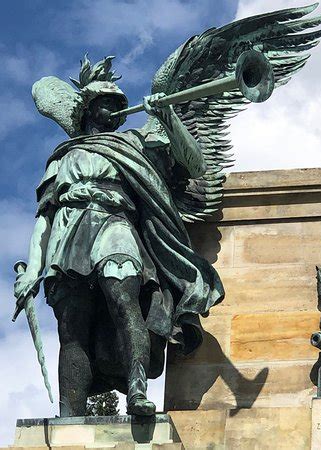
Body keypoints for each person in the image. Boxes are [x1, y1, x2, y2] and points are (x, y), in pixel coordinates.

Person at [14, 56, 224, 416]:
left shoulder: (136, 144)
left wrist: (169, 118)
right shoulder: (63, 157)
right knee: (72, 325)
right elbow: (45, 218)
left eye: (117, 103)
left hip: (115, 223)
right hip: (69, 230)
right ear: (88, 109)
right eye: (105, 102)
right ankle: (71, 415)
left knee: (124, 299)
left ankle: (137, 391)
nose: (113, 108)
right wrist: (33, 268)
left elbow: (195, 164)